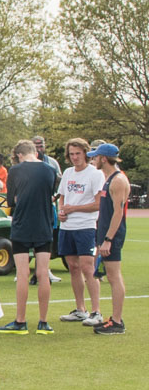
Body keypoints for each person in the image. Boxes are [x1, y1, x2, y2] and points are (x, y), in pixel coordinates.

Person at [0, 141, 56, 335]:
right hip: (44, 224)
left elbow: (12, 198)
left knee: (22, 273)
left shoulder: (14, 170)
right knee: (43, 272)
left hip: (22, 224)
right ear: (35, 152)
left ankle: (20, 321)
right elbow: (50, 195)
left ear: (19, 155)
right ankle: (43, 322)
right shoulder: (50, 169)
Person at [55, 137, 105, 327]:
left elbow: (97, 204)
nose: (75, 157)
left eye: (78, 153)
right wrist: (61, 211)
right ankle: (80, 309)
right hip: (67, 227)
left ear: (85, 153)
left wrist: (72, 209)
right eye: (72, 154)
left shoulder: (95, 174)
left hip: (86, 225)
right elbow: (62, 197)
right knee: (73, 267)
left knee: (87, 267)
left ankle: (97, 311)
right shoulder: (68, 173)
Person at [91, 143, 130, 334]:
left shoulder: (118, 180)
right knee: (109, 275)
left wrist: (108, 239)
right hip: (105, 234)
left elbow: (118, 213)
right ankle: (113, 319)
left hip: (111, 236)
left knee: (114, 277)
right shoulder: (109, 179)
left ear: (103, 159)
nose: (94, 160)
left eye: (95, 157)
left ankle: (117, 321)